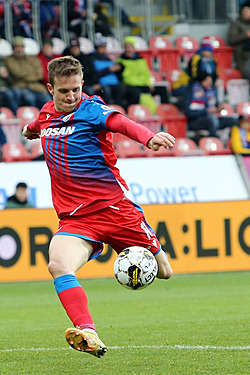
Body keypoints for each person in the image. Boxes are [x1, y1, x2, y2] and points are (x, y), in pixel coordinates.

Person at [21, 56, 175, 358]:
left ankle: (126, 256)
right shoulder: (46, 114)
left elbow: (120, 122)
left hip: (115, 209)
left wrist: (149, 137)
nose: (71, 97)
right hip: (76, 219)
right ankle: (88, 332)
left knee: (164, 271)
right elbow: (40, 123)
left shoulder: (91, 109)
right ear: (50, 88)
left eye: (76, 89)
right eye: (64, 91)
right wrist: (30, 129)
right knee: (58, 265)